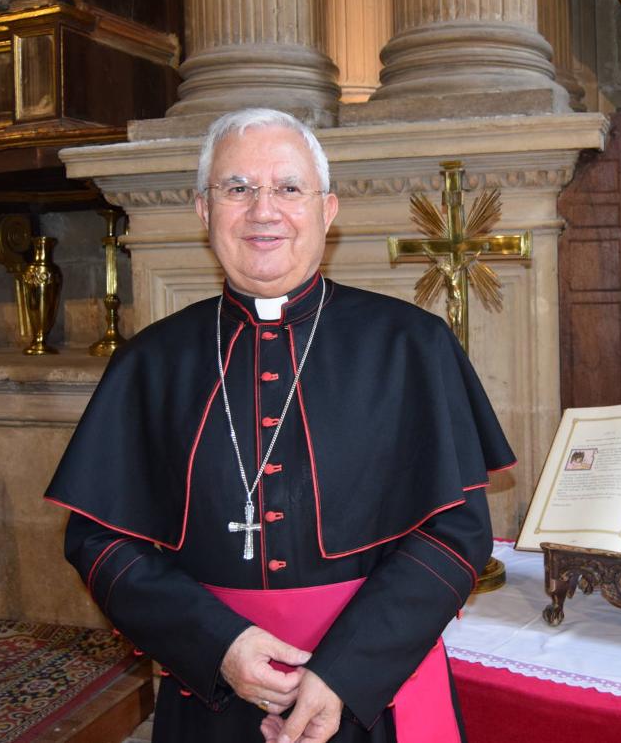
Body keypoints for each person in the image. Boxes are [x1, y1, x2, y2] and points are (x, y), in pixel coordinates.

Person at [45, 108, 514, 743]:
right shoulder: (150, 362)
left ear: (327, 210)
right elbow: (99, 542)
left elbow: (456, 532)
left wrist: (346, 672)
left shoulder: (411, 346)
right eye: (237, 189)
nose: (263, 211)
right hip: (211, 690)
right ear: (205, 212)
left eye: (289, 188)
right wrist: (219, 646)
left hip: (374, 690)